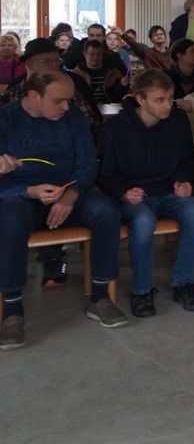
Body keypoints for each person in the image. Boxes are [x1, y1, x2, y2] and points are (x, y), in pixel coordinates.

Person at [0, 70, 127, 349]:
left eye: (69, 101)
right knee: (9, 219)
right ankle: (12, 310)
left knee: (106, 210)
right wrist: (27, 191)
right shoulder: (6, 119)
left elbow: (88, 164)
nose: (66, 107)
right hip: (20, 199)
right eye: (59, 101)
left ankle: (100, 296)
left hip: (69, 193)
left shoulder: (72, 118)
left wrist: (70, 195)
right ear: (34, 96)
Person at [99, 70, 194, 317]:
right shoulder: (114, 129)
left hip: (168, 191)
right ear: (140, 99)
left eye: (170, 98)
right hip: (133, 195)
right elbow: (105, 175)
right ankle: (142, 290)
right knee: (144, 221)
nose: (168, 105)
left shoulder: (177, 120)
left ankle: (184, 283)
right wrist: (123, 193)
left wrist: (183, 182)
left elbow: (187, 161)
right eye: (160, 100)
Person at [72, 38, 127, 107]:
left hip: (110, 106)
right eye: (92, 54)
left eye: (99, 54)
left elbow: (118, 96)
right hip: (88, 108)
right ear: (85, 54)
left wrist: (123, 85)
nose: (95, 57)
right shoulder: (76, 73)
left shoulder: (113, 72)